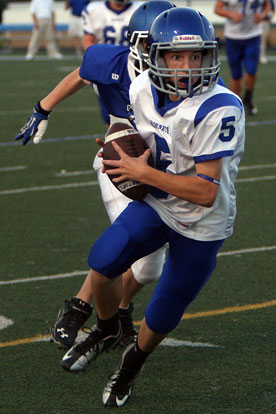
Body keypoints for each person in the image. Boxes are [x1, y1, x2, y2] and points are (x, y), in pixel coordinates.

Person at [58, 7, 245, 407]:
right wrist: (118, 147)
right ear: (155, 56)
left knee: (162, 312)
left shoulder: (219, 106)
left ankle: (132, 363)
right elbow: (142, 141)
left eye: (196, 55)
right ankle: (108, 329)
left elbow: (205, 192)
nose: (187, 65)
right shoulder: (141, 87)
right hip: (159, 204)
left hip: (201, 221)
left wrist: (140, 173)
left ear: (209, 55)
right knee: (102, 261)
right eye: (176, 56)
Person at [15, 1, 176, 350]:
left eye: (171, 46)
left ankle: (119, 311)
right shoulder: (110, 61)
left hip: (163, 171)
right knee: (127, 240)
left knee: (149, 271)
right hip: (120, 164)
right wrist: (42, 107)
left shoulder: (188, 78)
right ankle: (79, 307)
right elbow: (82, 73)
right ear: (137, 44)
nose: (167, 55)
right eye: (156, 46)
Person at [82, 0, 143, 126]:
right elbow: (87, 41)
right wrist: (98, 61)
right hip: (108, 69)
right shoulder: (94, 10)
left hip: (134, 67)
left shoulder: (141, 9)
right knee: (111, 119)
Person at [214, 0, 271, 116]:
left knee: (251, 70)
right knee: (236, 74)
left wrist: (262, 15)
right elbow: (217, 8)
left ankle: (248, 98)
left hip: (253, 35)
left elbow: (267, 5)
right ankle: (236, 102)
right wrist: (231, 14)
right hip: (233, 37)